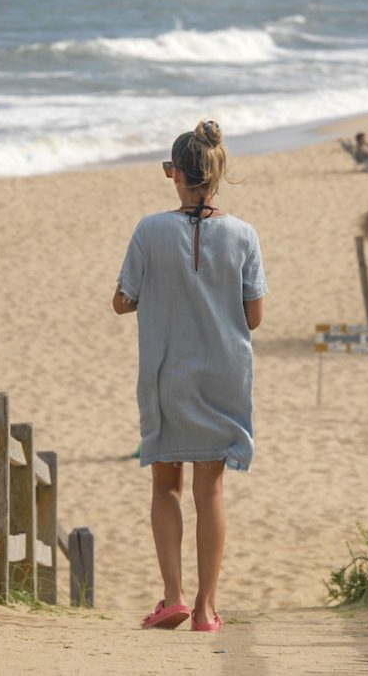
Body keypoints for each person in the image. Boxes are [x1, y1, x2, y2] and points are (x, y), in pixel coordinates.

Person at [113, 119, 266, 634]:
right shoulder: (244, 234)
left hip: (166, 371)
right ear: (216, 174)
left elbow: (122, 301)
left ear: (174, 174)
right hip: (224, 374)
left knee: (166, 487)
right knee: (211, 492)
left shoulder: (149, 230)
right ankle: (205, 609)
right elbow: (254, 316)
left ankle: (173, 597)